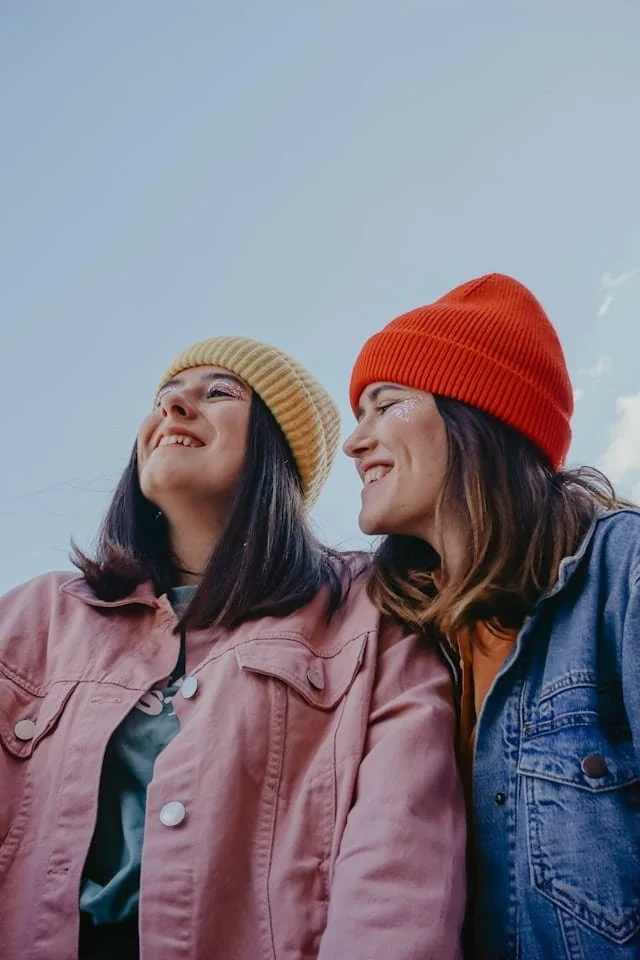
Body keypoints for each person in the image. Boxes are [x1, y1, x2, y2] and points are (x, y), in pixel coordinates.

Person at [0, 335, 465, 960]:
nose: (174, 408)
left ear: (281, 449)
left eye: (218, 392)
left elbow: (399, 858)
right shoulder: (35, 616)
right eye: (164, 398)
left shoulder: (366, 609)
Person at [344, 273, 640, 960]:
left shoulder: (621, 571)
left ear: (475, 416)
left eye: (386, 404)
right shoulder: (395, 635)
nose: (354, 442)